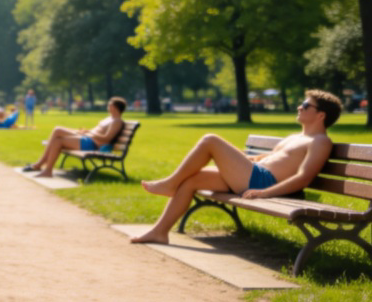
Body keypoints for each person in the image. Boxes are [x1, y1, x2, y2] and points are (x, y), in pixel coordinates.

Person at [130, 89, 342, 244]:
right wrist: (239, 159)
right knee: (191, 180)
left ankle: (169, 184)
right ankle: (160, 231)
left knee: (210, 140)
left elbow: (304, 177)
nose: (299, 107)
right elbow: (265, 159)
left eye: (305, 105)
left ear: (321, 115)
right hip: (254, 175)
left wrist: (265, 193)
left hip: (263, 182)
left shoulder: (320, 142)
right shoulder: (296, 137)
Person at [22, 96, 127, 177]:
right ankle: (42, 167)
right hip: (88, 138)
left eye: (110, 105)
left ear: (114, 107)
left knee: (58, 138)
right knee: (57, 131)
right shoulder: (109, 118)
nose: (108, 107)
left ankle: (44, 168)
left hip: (91, 143)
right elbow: (97, 132)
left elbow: (106, 138)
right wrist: (87, 131)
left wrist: (89, 133)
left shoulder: (117, 121)